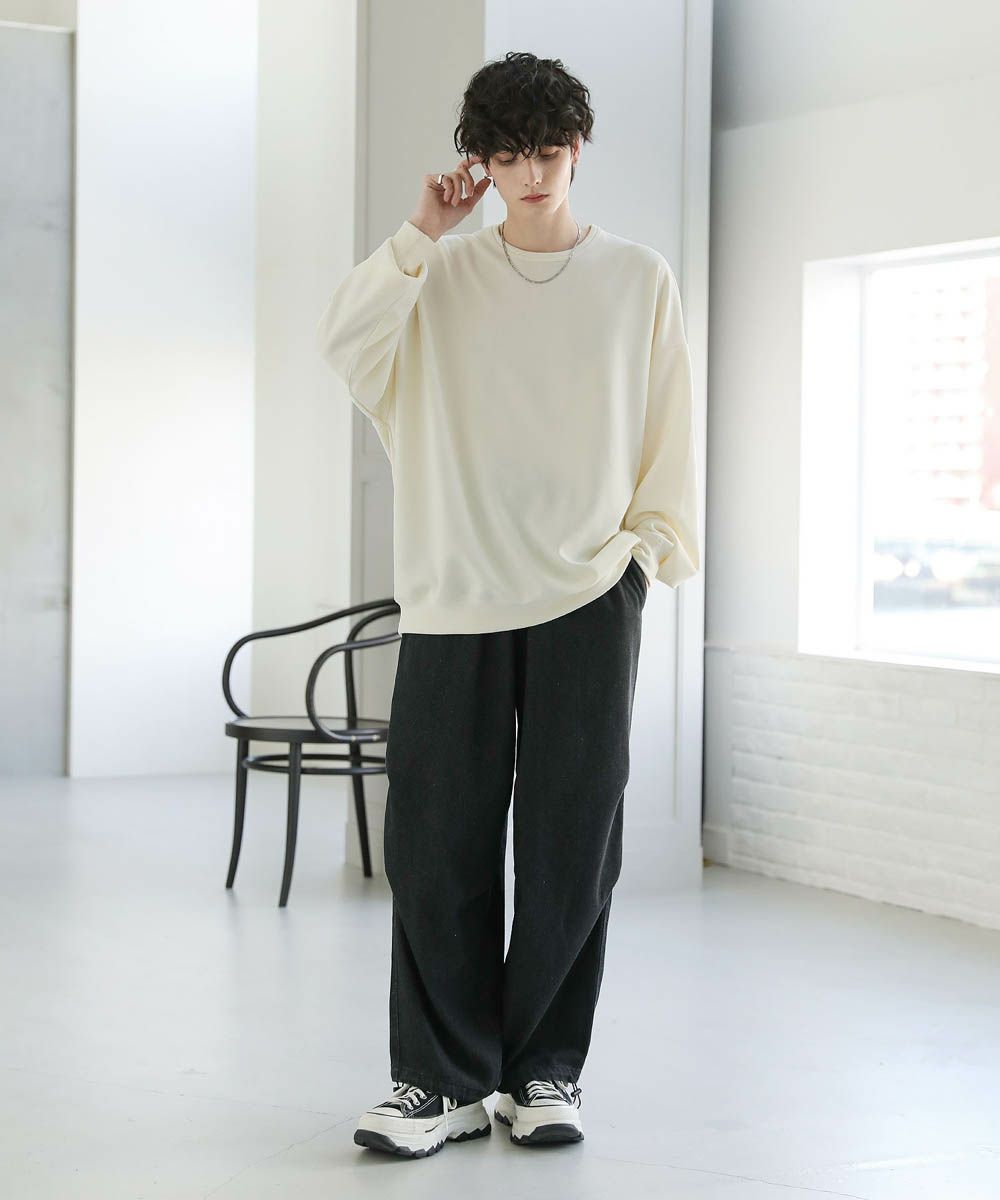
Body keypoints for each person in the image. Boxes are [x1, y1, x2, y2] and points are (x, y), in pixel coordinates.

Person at [316, 50, 700, 1158]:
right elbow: (344, 343)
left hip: (589, 591)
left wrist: (646, 557)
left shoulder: (637, 278)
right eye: (508, 154)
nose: (532, 174)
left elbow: (669, 424)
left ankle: (542, 1071)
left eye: (549, 151)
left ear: (578, 149)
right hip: (455, 593)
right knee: (437, 841)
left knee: (573, 841)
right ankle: (436, 1081)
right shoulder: (436, 276)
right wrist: (420, 233)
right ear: (478, 162)